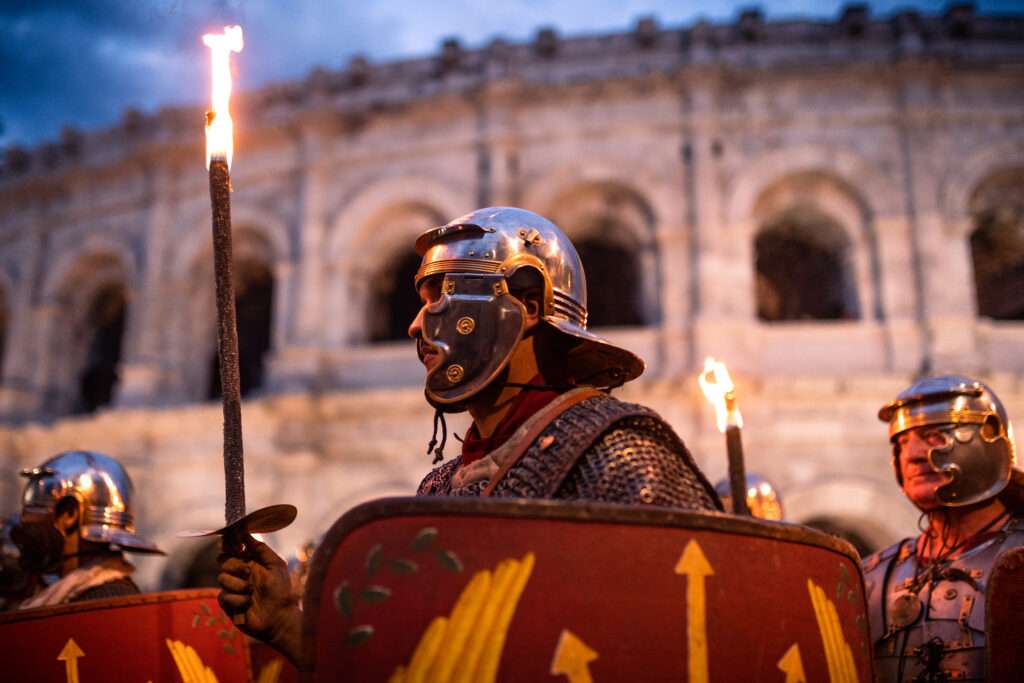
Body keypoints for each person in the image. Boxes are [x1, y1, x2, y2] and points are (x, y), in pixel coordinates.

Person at [218, 206, 721, 664]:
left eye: (440, 294)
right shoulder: (440, 487)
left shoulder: (617, 453)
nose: (415, 325)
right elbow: (416, 667)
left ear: (526, 303)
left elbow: (700, 642)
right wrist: (290, 625)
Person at [862, 375, 1024, 682]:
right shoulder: (871, 578)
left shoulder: (1020, 559)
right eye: (902, 442)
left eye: (934, 436)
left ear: (985, 439)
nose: (912, 455)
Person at [10, 450, 164, 608]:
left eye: (35, 511)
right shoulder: (63, 594)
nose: (24, 522)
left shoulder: (106, 600)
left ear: (69, 515)